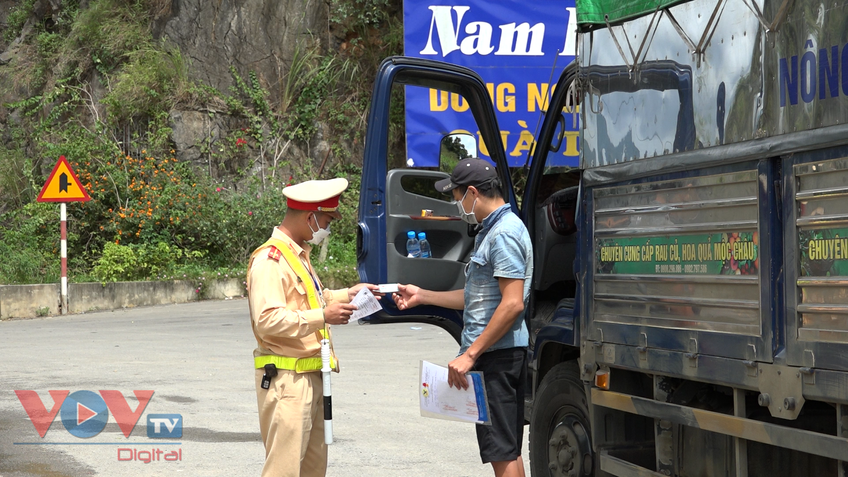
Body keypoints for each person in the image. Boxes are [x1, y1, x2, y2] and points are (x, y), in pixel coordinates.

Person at [393, 158, 533, 477]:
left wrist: (470, 355)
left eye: (456, 198)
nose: (457, 206)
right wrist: (423, 296)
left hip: (497, 355)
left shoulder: (505, 234)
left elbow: (512, 305)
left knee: (502, 449)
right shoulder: (492, 230)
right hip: (494, 352)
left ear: (472, 192)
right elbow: (478, 298)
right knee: (505, 448)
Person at [246, 177, 378, 477]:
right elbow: (267, 321)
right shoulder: (270, 260)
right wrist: (324, 316)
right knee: (284, 470)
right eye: (327, 220)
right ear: (310, 217)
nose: (328, 229)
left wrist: (347, 294)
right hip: (287, 380)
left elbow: (310, 299)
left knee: (313, 470)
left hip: (310, 374)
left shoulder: (296, 255)